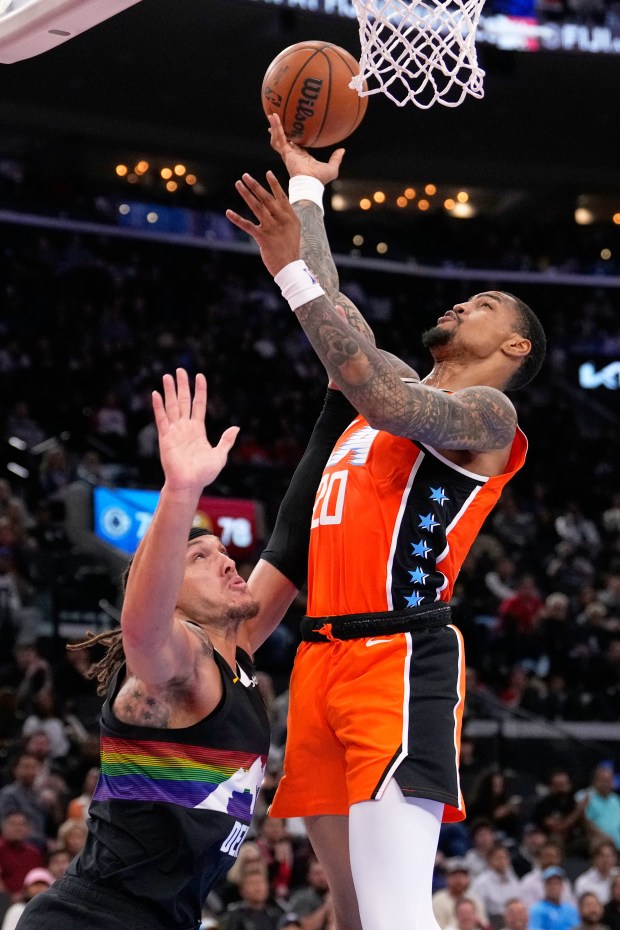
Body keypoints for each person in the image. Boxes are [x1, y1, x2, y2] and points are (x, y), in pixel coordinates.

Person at [226, 114, 546, 930]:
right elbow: (342, 328)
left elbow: (379, 391)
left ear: (512, 347)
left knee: (399, 913)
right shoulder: (388, 385)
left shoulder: (486, 414)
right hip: (321, 658)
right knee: (355, 911)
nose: (461, 302)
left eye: (483, 305)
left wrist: (288, 274)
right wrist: (305, 186)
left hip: (399, 657)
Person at [15, 368, 355, 930]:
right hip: (91, 920)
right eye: (200, 557)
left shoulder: (235, 649)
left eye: (223, 550)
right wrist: (181, 490)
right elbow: (142, 627)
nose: (226, 559)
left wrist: (339, 396)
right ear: (169, 593)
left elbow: (292, 538)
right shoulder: (178, 663)